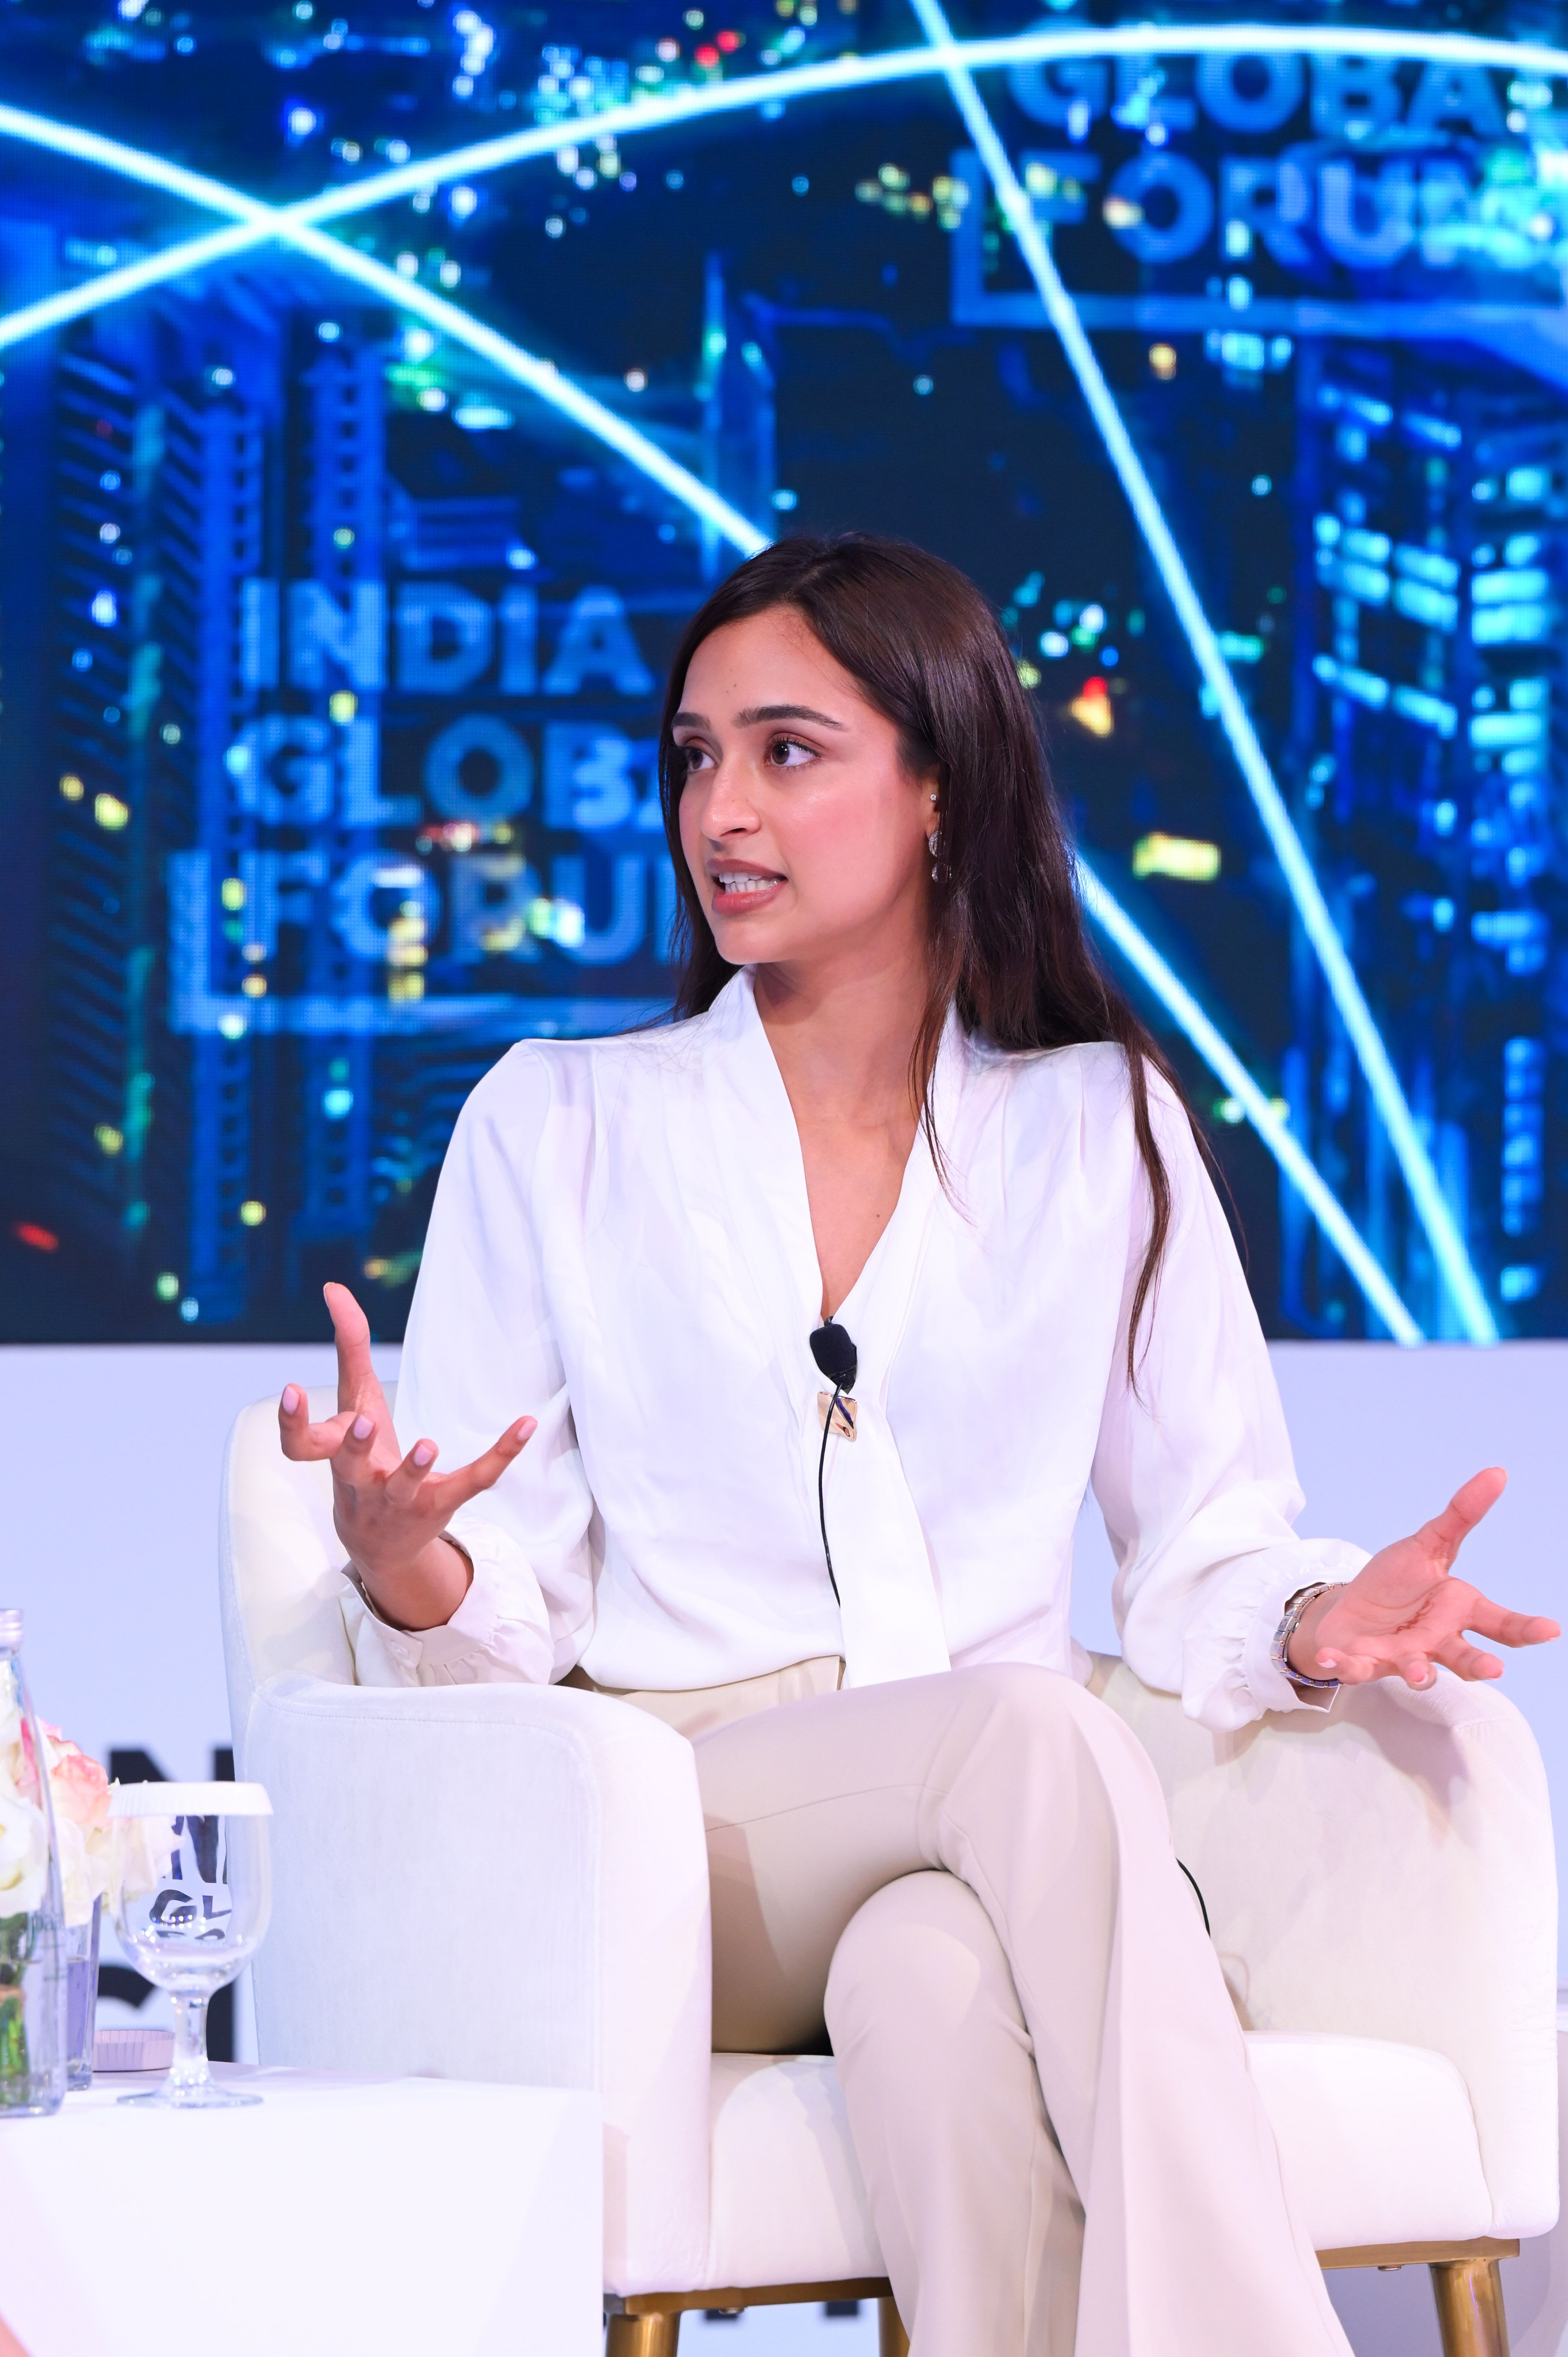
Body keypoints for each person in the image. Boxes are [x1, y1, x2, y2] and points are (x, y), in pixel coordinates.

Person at [279, 533, 1557, 2357]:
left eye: (786, 750)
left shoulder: (1097, 1124)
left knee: (935, 1987)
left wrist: (1307, 1618)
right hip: (690, 1839)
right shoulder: (558, 1124)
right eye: (695, 755)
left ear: (941, 784)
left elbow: (1204, 1534)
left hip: (984, 1841)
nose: (721, 807)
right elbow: (511, 1613)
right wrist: (400, 1550)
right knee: (1023, 1728)